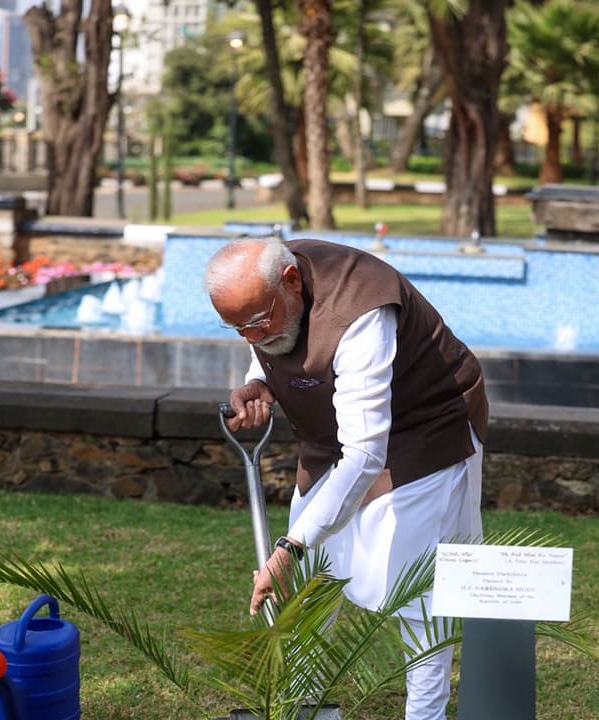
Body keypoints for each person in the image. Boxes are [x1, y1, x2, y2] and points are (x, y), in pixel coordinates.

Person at [203, 238, 488, 720]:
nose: (251, 336)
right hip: (332, 434)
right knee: (308, 585)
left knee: (415, 588)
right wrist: (259, 382)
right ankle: (302, 707)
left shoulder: (362, 310)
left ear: (291, 281)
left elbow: (364, 455)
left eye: (258, 321)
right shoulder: (269, 291)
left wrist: (289, 547)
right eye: (237, 327)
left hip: (424, 432)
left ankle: (425, 715)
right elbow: (270, 343)